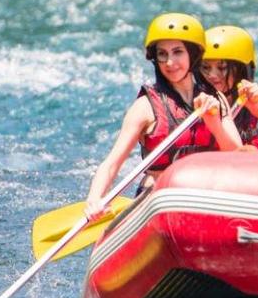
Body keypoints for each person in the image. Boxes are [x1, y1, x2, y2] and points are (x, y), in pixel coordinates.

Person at [84, 13, 242, 222]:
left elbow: (237, 156)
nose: (169, 62)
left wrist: (214, 123)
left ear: (192, 55)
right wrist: (94, 199)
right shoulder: (144, 106)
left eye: (177, 52)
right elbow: (112, 163)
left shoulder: (215, 99)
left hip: (207, 197)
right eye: (162, 54)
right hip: (159, 200)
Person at [199, 25, 258, 148]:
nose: (212, 75)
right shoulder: (198, 104)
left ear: (243, 70)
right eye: (205, 67)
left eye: (222, 67)